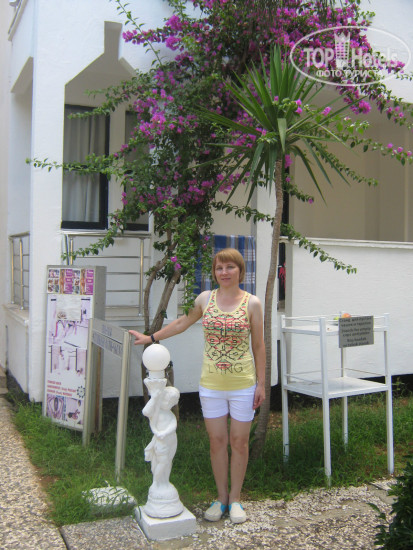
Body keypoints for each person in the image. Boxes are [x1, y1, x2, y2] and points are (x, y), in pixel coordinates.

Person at [129, 248, 266, 524]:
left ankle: (236, 500)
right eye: (219, 268)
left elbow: (259, 345)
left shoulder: (252, 304)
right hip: (211, 385)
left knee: (239, 442)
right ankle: (221, 498)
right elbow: (183, 322)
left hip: (243, 385)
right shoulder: (205, 299)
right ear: (214, 272)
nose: (224, 272)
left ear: (240, 271)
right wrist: (151, 337)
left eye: (230, 267)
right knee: (217, 442)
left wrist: (261, 384)